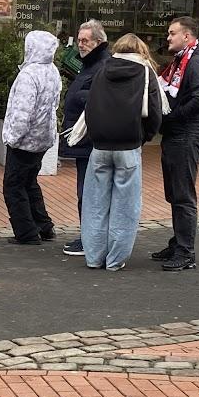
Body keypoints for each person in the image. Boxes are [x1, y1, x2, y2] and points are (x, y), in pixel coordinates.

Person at [71, 33, 164, 270]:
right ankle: (115, 259)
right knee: (125, 207)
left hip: (100, 146)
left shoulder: (102, 70)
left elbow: (91, 106)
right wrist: (143, 137)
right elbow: (155, 113)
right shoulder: (145, 72)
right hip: (129, 146)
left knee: (95, 205)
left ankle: (94, 257)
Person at [152, 15, 199, 271]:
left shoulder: (197, 62)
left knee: (183, 195)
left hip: (187, 135)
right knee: (174, 194)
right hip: (176, 134)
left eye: (172, 33)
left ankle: (186, 252)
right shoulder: (179, 61)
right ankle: (178, 243)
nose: (168, 37)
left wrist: (173, 117)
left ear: (186, 36)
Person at [2, 30, 62, 245]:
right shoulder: (52, 71)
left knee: (13, 186)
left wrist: (12, 138)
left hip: (25, 140)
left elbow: (22, 112)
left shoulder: (28, 75)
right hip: (43, 137)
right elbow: (54, 104)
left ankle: (26, 232)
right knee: (30, 182)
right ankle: (43, 226)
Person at [58, 20, 110, 256]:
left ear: (98, 42)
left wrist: (79, 96)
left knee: (90, 193)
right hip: (83, 139)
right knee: (86, 192)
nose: (80, 44)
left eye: (85, 40)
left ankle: (91, 238)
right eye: (79, 40)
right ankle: (89, 235)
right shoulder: (89, 64)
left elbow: (103, 97)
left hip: (91, 140)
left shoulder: (102, 64)